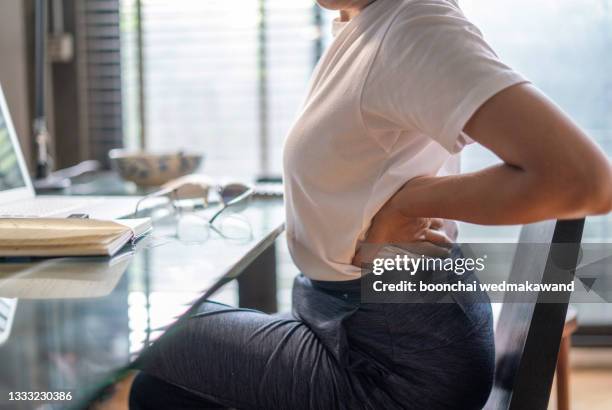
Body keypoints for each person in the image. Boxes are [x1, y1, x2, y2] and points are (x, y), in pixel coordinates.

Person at [106, 0, 612, 409]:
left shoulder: (415, 26)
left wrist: (413, 203)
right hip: (358, 325)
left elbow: (583, 180)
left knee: (137, 329)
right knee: (162, 392)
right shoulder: (365, 24)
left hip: (395, 368)